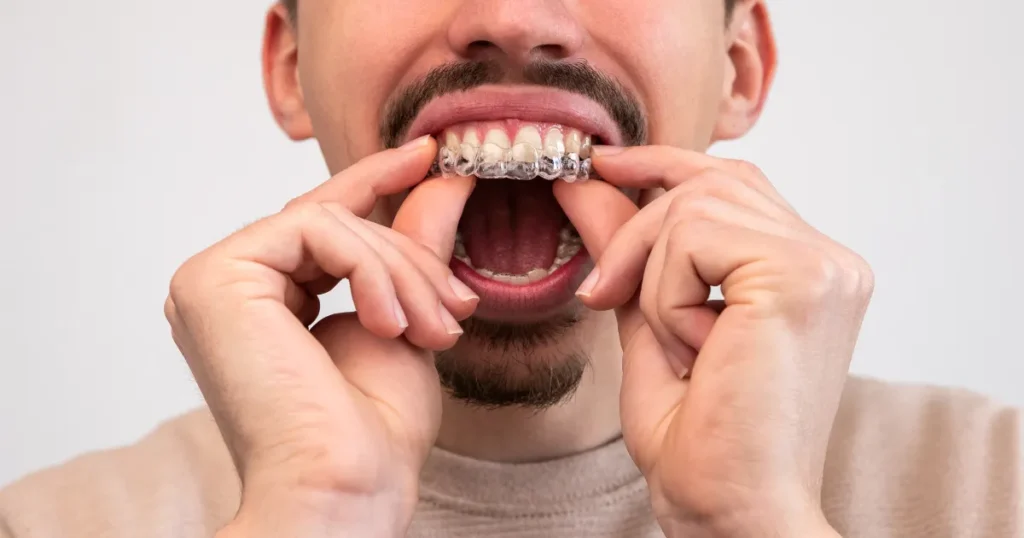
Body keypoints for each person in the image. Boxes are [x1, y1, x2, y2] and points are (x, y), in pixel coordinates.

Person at [1, 0, 1019, 536]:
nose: (514, 13)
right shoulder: (46, 526)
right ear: (288, 67)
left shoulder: (996, 491)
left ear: (739, 66)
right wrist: (312, 520)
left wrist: (754, 525)